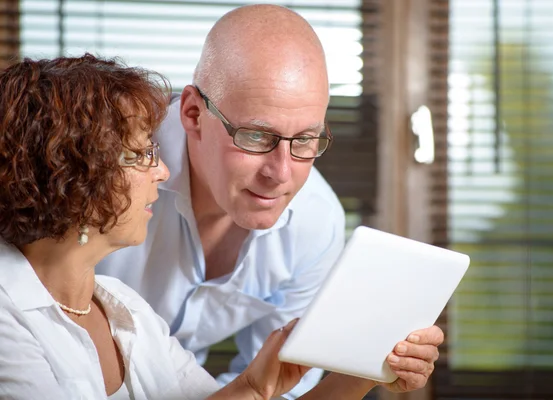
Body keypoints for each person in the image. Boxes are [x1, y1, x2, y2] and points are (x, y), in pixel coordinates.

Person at [0, 54, 437, 399]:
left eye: (305, 139)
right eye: (140, 155)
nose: (162, 171)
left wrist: (360, 374)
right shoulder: (10, 318)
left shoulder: (127, 313)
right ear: (69, 177)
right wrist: (251, 390)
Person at [96, 4, 444, 398]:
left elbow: (273, 389)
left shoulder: (314, 222)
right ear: (193, 114)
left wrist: (367, 368)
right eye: (257, 137)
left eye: (305, 140)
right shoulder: (111, 171)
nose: (280, 174)